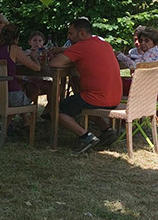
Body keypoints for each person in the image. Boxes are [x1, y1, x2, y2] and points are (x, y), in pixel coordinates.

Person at [47, 18, 123, 154]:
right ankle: (107, 131)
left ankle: (85, 136)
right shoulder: (104, 44)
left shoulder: (81, 47)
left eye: (71, 34)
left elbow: (54, 63)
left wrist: (61, 54)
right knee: (81, 102)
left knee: (56, 110)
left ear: (81, 34)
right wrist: (65, 51)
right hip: (115, 97)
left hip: (96, 98)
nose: (68, 37)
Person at [0, 24, 41, 107]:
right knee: (34, 89)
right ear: (16, 38)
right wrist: (33, 56)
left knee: (22, 85)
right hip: (11, 96)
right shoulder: (13, 49)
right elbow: (37, 68)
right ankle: (24, 116)